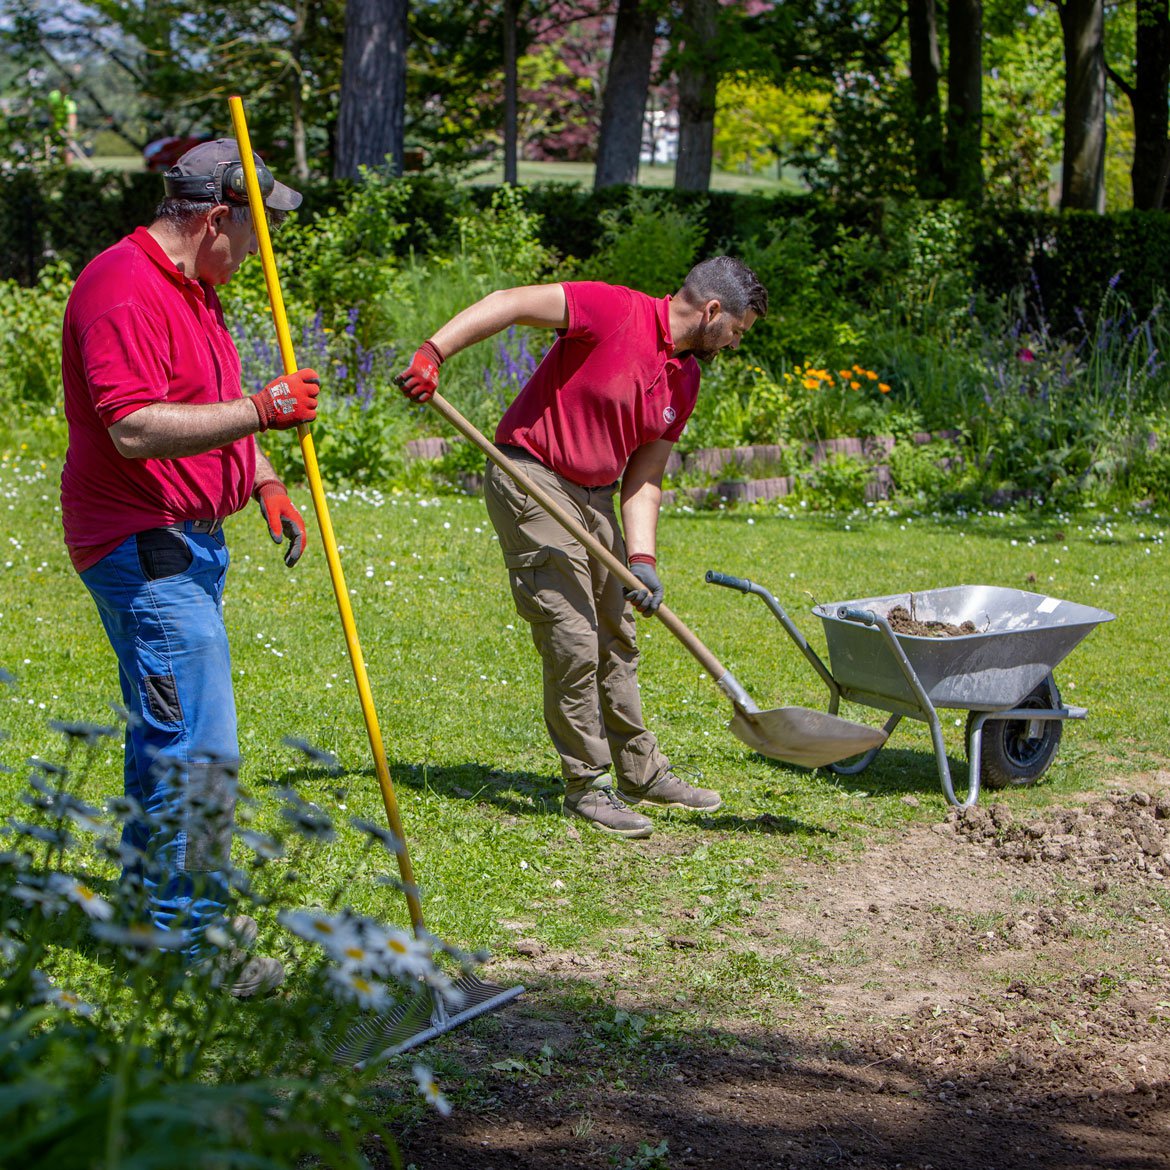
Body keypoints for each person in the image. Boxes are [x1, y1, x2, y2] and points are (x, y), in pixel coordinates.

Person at [60, 138, 319, 995]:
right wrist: (259, 409)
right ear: (215, 218)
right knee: (200, 751)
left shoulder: (195, 290)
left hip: (191, 539)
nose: (258, 252)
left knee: (163, 736)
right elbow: (133, 426)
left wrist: (266, 479)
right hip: (145, 547)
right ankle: (193, 943)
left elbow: (215, 406)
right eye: (253, 233)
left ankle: (151, 907)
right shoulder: (121, 287)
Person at [397, 258, 768, 840]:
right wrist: (433, 354)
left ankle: (640, 771)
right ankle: (587, 785)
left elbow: (645, 475)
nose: (736, 343)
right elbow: (510, 300)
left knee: (617, 634)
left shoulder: (684, 377)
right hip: (533, 478)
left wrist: (641, 560)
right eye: (738, 331)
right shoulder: (613, 308)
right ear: (713, 310)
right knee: (572, 636)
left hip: (597, 496)